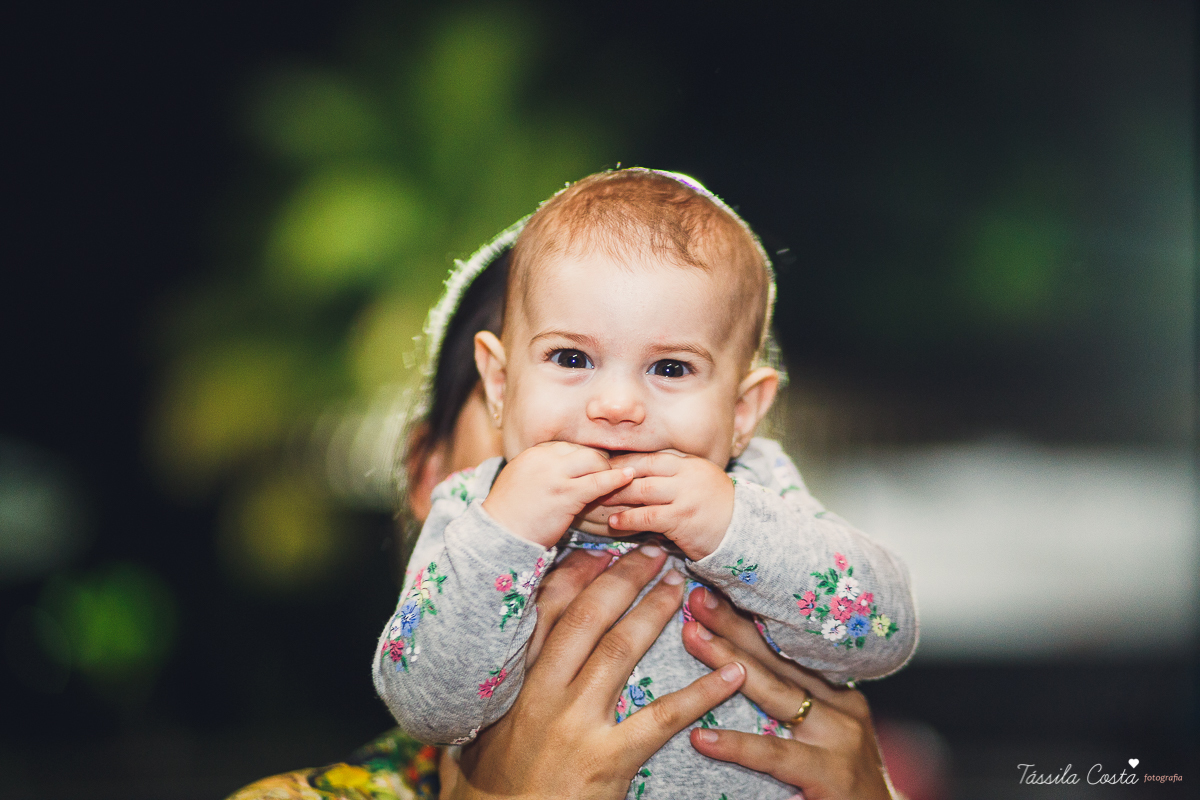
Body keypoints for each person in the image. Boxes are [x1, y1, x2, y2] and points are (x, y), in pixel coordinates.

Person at [227, 216, 896, 800]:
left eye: (670, 369)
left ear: (742, 413)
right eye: (571, 359)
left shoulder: (759, 492)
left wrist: (736, 529)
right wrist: (505, 532)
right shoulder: (477, 513)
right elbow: (427, 705)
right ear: (499, 387)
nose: (615, 408)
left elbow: (883, 630)